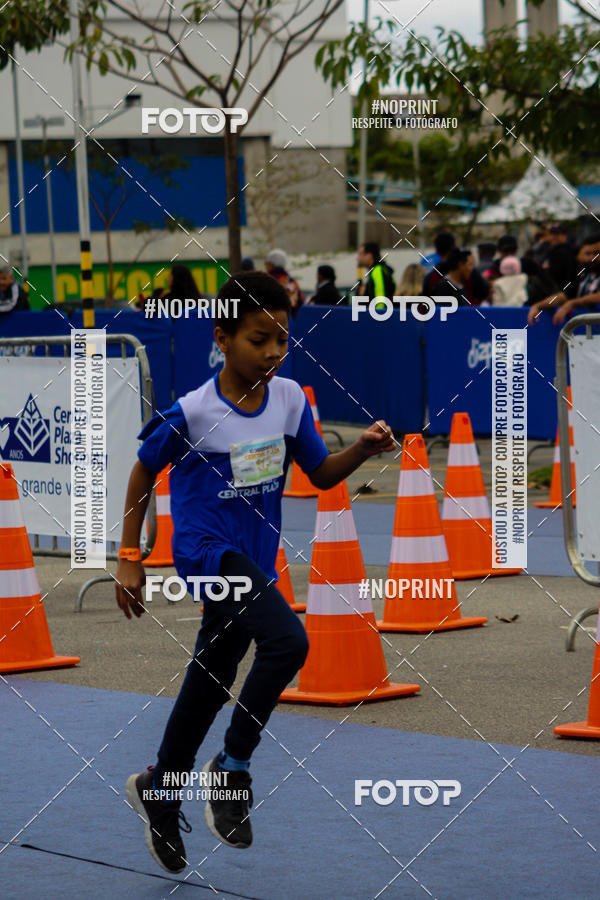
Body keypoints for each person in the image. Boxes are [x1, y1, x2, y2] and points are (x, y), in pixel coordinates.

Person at [117, 270, 397, 874]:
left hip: (254, 551)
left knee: (214, 670)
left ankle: (159, 788)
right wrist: (129, 556)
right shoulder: (194, 412)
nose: (272, 352)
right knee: (288, 641)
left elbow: (319, 474)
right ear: (222, 338)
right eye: (257, 339)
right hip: (207, 551)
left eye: (281, 339)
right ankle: (232, 767)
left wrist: (363, 451)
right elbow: (141, 473)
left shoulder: (291, 399)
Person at [527, 233, 600, 326]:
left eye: (597, 253)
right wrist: (539, 306)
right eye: (588, 254)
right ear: (579, 255)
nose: (592, 258)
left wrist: (572, 303)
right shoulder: (582, 274)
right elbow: (563, 296)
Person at [264, 249, 304, 317]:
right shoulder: (292, 282)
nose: (265, 266)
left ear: (271, 265)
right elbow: (299, 301)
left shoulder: (266, 280)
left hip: (268, 319)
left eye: (267, 263)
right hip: (288, 321)